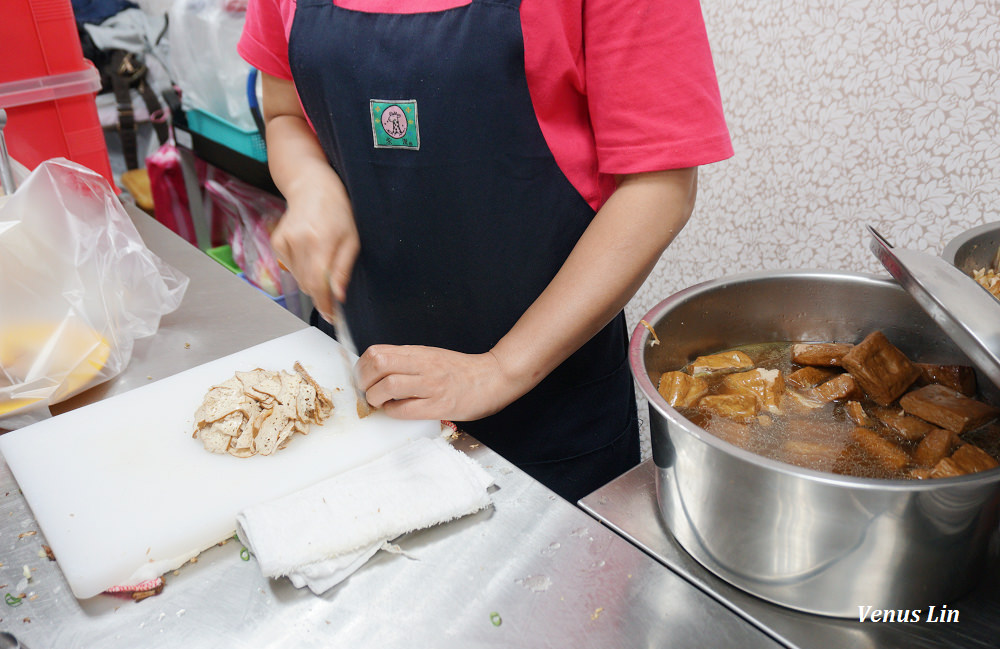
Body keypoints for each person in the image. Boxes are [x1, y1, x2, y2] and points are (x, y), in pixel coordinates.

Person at [238, 0, 732, 501]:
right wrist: (309, 182)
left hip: (549, 422)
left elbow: (660, 186)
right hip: (355, 391)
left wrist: (499, 369)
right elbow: (283, 111)